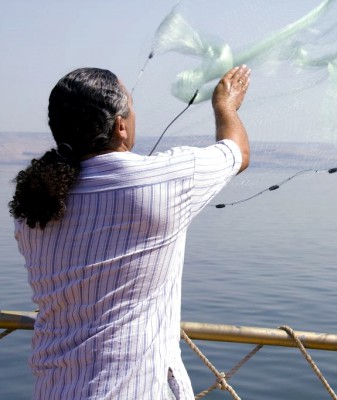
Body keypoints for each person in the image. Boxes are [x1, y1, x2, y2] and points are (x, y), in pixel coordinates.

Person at [9, 65, 251, 399]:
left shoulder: (33, 203)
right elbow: (236, 152)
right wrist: (226, 106)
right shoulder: (164, 180)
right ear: (120, 125)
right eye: (132, 108)